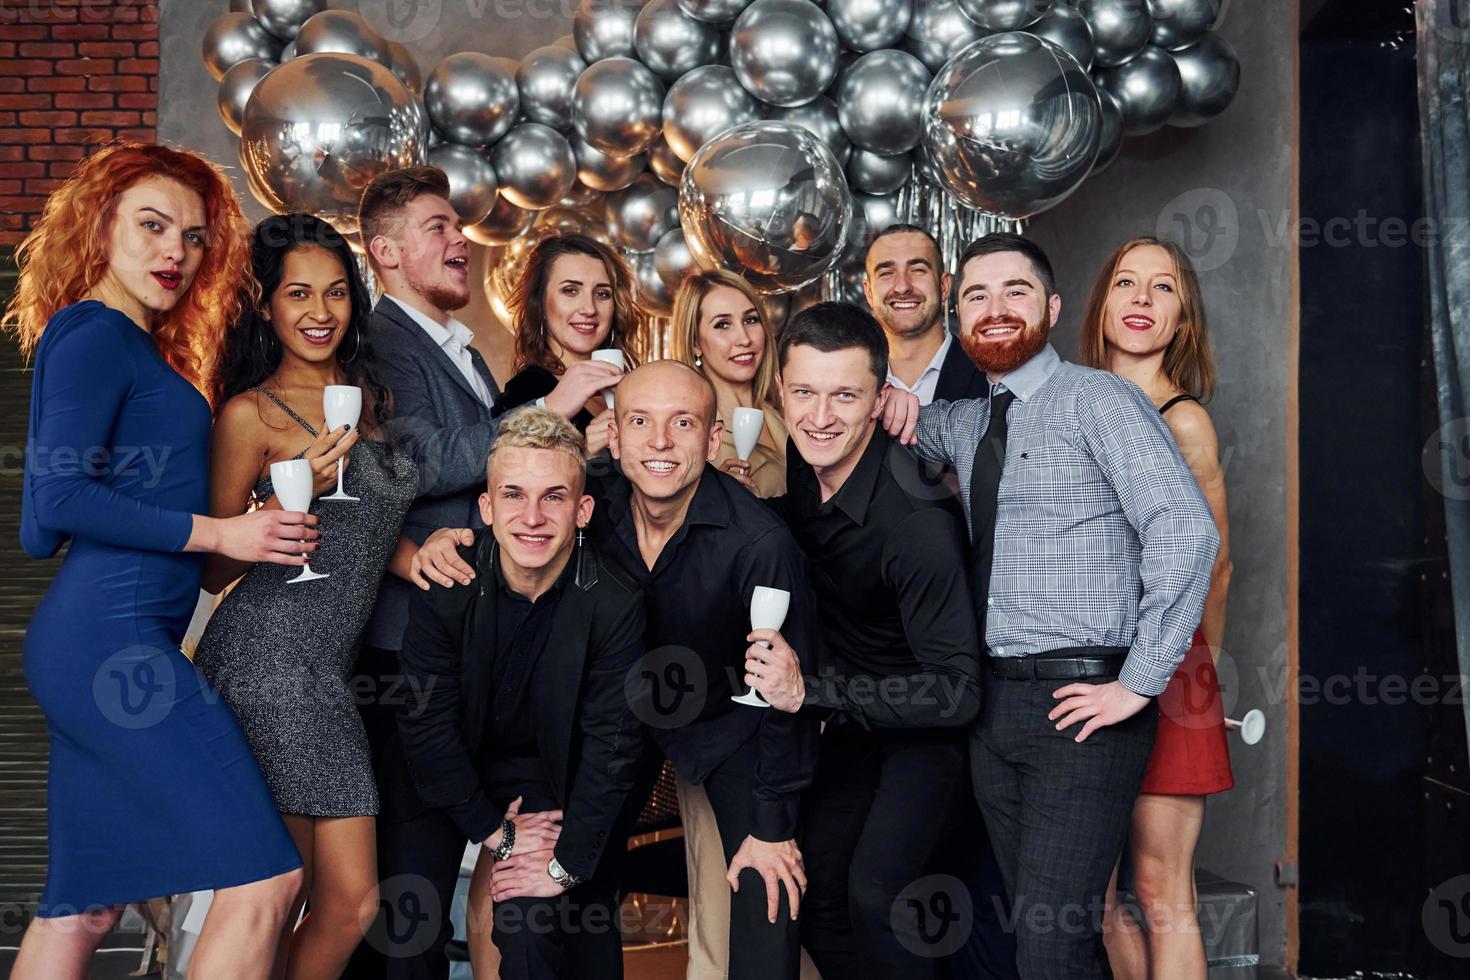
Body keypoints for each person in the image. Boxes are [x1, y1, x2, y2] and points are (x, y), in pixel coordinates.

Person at [3, 142, 311, 980]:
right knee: (267, 874)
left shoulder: (120, 345)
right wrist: (223, 534)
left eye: (193, 236)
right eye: (150, 225)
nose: (174, 250)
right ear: (99, 228)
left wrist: (234, 524)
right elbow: (62, 506)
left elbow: (37, 528)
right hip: (115, 644)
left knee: (82, 906)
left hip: (91, 643)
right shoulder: (96, 335)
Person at [881, 232, 1220, 979]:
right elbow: (884, 427)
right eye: (976, 296)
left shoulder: (1099, 400)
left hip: (1081, 707)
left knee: (1051, 944)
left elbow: (1187, 530)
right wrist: (879, 396)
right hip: (992, 710)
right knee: (1048, 936)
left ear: (1054, 307)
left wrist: (1139, 680)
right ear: (957, 315)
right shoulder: (965, 423)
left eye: (1016, 292)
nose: (996, 309)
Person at [192, 213, 418, 979]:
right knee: (276, 895)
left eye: (334, 294)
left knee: (353, 905)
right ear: (266, 305)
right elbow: (215, 569)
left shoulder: (365, 400)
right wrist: (289, 503)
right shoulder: (249, 414)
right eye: (298, 295)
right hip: (267, 660)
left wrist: (419, 555)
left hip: (326, 671)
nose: (320, 312)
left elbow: (366, 530)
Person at [742, 301, 981, 978]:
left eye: (844, 395)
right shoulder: (801, 461)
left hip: (930, 738)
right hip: (853, 728)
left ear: (881, 399)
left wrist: (809, 690)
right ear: (781, 393)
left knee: (880, 899)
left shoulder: (915, 520)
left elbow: (958, 692)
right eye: (805, 393)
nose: (820, 416)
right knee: (809, 895)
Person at [382, 407, 646, 979]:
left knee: (532, 926)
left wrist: (560, 866)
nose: (531, 517)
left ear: (583, 510)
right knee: (407, 931)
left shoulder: (615, 603)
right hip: (438, 771)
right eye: (513, 495)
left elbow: (614, 748)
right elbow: (425, 724)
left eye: (553, 497)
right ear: (486, 508)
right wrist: (492, 831)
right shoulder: (446, 579)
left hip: (541, 776)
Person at [589, 361, 819, 980]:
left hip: (731, 725)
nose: (660, 442)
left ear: (713, 440)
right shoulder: (588, 515)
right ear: (614, 436)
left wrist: (771, 827)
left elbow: (788, 697)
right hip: (620, 721)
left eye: (682, 423)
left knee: (767, 890)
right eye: (640, 422)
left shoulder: (759, 542)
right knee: (573, 869)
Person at [345, 165, 506, 977]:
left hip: (459, 642)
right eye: (438, 227)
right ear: (385, 251)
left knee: (430, 874)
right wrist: (546, 418)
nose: (460, 240)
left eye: (459, 226)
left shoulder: (461, 349)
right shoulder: (378, 343)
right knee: (411, 882)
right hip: (406, 650)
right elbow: (416, 459)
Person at [1079, 238, 1235, 980]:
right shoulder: (1069, 404)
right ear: (1102, 305)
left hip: (1170, 667)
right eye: (1127, 284)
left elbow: (1217, 564)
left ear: (1181, 319)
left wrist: (1196, 683)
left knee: (1161, 888)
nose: (1141, 300)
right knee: (1089, 897)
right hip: (1080, 660)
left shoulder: (1186, 421)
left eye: (1162, 288)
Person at [499, 233, 636, 456]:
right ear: (540, 304)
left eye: (602, 294)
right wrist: (587, 453)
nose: (589, 308)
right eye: (570, 291)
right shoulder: (524, 393)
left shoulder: (633, 387)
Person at [670, 269, 789, 497]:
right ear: (694, 341)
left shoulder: (785, 413)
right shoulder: (692, 436)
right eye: (722, 325)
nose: (744, 339)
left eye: (751, 320)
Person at [864, 224, 986, 405]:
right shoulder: (847, 381)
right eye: (886, 273)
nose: (902, 286)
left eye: (918, 270)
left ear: (944, 286)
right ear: (869, 293)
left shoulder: (990, 376)